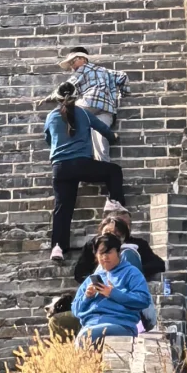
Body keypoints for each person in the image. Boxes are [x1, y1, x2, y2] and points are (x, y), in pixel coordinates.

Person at [44, 83, 125, 262]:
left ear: (58, 98)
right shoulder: (84, 114)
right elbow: (103, 130)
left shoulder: (51, 117)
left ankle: (58, 247)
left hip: (60, 168)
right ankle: (115, 203)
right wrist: (114, 138)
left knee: (63, 208)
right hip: (82, 164)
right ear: (76, 97)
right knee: (114, 171)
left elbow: (48, 139)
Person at [71, 232, 150, 344]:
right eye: (101, 253)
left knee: (86, 337)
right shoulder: (91, 279)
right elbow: (75, 311)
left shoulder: (131, 273)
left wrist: (113, 293)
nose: (105, 257)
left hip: (120, 325)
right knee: (84, 335)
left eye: (109, 252)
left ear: (118, 252)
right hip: (91, 325)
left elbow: (144, 300)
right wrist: (86, 297)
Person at [54, 46, 128, 162]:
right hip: (106, 109)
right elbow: (123, 76)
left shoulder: (83, 69)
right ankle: (103, 167)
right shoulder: (106, 71)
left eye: (73, 62)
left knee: (64, 113)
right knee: (100, 141)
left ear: (83, 59)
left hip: (89, 103)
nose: (72, 67)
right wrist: (123, 94)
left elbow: (67, 86)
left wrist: (51, 97)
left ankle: (72, 151)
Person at [73, 208, 166, 284]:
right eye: (108, 232)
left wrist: (131, 270)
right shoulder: (92, 245)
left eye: (127, 225)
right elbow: (80, 273)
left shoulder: (137, 245)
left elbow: (158, 264)